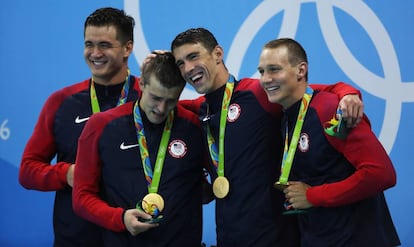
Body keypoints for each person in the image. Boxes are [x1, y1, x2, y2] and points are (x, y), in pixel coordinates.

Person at [169, 27, 364, 246]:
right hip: (228, 238)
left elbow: (311, 92)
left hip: (277, 238)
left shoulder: (258, 93)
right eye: (180, 63)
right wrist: (155, 68)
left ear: (217, 54)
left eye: (193, 56)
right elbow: (157, 104)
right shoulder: (201, 110)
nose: (188, 68)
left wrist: (347, 93)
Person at [257, 37, 400, 246]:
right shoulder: (288, 111)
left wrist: (313, 196)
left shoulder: (330, 110)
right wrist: (345, 89)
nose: (266, 79)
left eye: (274, 70)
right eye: (261, 71)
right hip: (320, 237)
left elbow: (381, 174)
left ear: (301, 70)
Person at [19, 7, 139, 246]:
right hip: (75, 238)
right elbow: (28, 171)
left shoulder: (148, 100)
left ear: (128, 48)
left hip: (134, 238)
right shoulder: (61, 102)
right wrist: (67, 174)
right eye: (88, 44)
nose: (94, 53)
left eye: (104, 45)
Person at [72, 52, 210, 246]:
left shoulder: (193, 126)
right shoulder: (101, 126)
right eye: (156, 97)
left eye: (171, 100)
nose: (161, 108)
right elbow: (81, 198)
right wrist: (120, 218)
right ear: (142, 84)